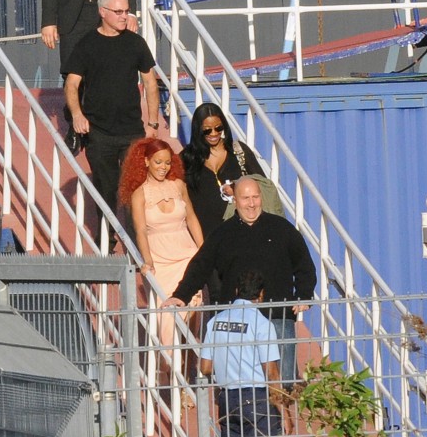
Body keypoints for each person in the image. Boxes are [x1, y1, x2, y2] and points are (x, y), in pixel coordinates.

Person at [163, 176, 317, 386]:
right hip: (237, 323)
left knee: (283, 385)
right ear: (235, 200)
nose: (251, 204)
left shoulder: (282, 228)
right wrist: (181, 295)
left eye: (255, 197)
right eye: (245, 198)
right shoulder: (222, 233)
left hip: (278, 317)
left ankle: (282, 406)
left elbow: (304, 265)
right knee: (238, 386)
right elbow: (200, 265)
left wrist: (303, 296)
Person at [64, 0, 160, 252]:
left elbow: (150, 83)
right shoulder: (87, 44)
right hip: (100, 133)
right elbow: (71, 84)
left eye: (126, 11)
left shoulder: (136, 43)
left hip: (132, 131)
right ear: (102, 12)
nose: (124, 16)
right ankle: (106, 242)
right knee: (106, 190)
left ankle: (138, 246)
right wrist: (77, 115)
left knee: (135, 189)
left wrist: (153, 124)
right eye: (118, 11)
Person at [200, 270, 288, 437]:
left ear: (237, 291)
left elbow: (205, 367)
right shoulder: (262, 324)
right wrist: (284, 412)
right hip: (256, 399)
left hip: (227, 399)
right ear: (261, 295)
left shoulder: (216, 321)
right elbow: (272, 373)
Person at [119, 137, 203, 351]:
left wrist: (204, 251)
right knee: (166, 320)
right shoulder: (139, 194)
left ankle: (188, 365)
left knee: (191, 309)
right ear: (146, 161)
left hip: (187, 256)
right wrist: (147, 261)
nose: (163, 167)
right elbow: (140, 231)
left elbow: (192, 218)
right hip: (160, 262)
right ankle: (170, 367)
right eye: (158, 162)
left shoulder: (179, 185)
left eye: (167, 162)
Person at [180, 103, 264, 240]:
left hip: (243, 234)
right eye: (207, 130)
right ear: (197, 129)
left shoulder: (239, 152)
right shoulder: (186, 159)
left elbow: (262, 184)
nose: (214, 133)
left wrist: (237, 187)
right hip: (207, 238)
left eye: (218, 128)